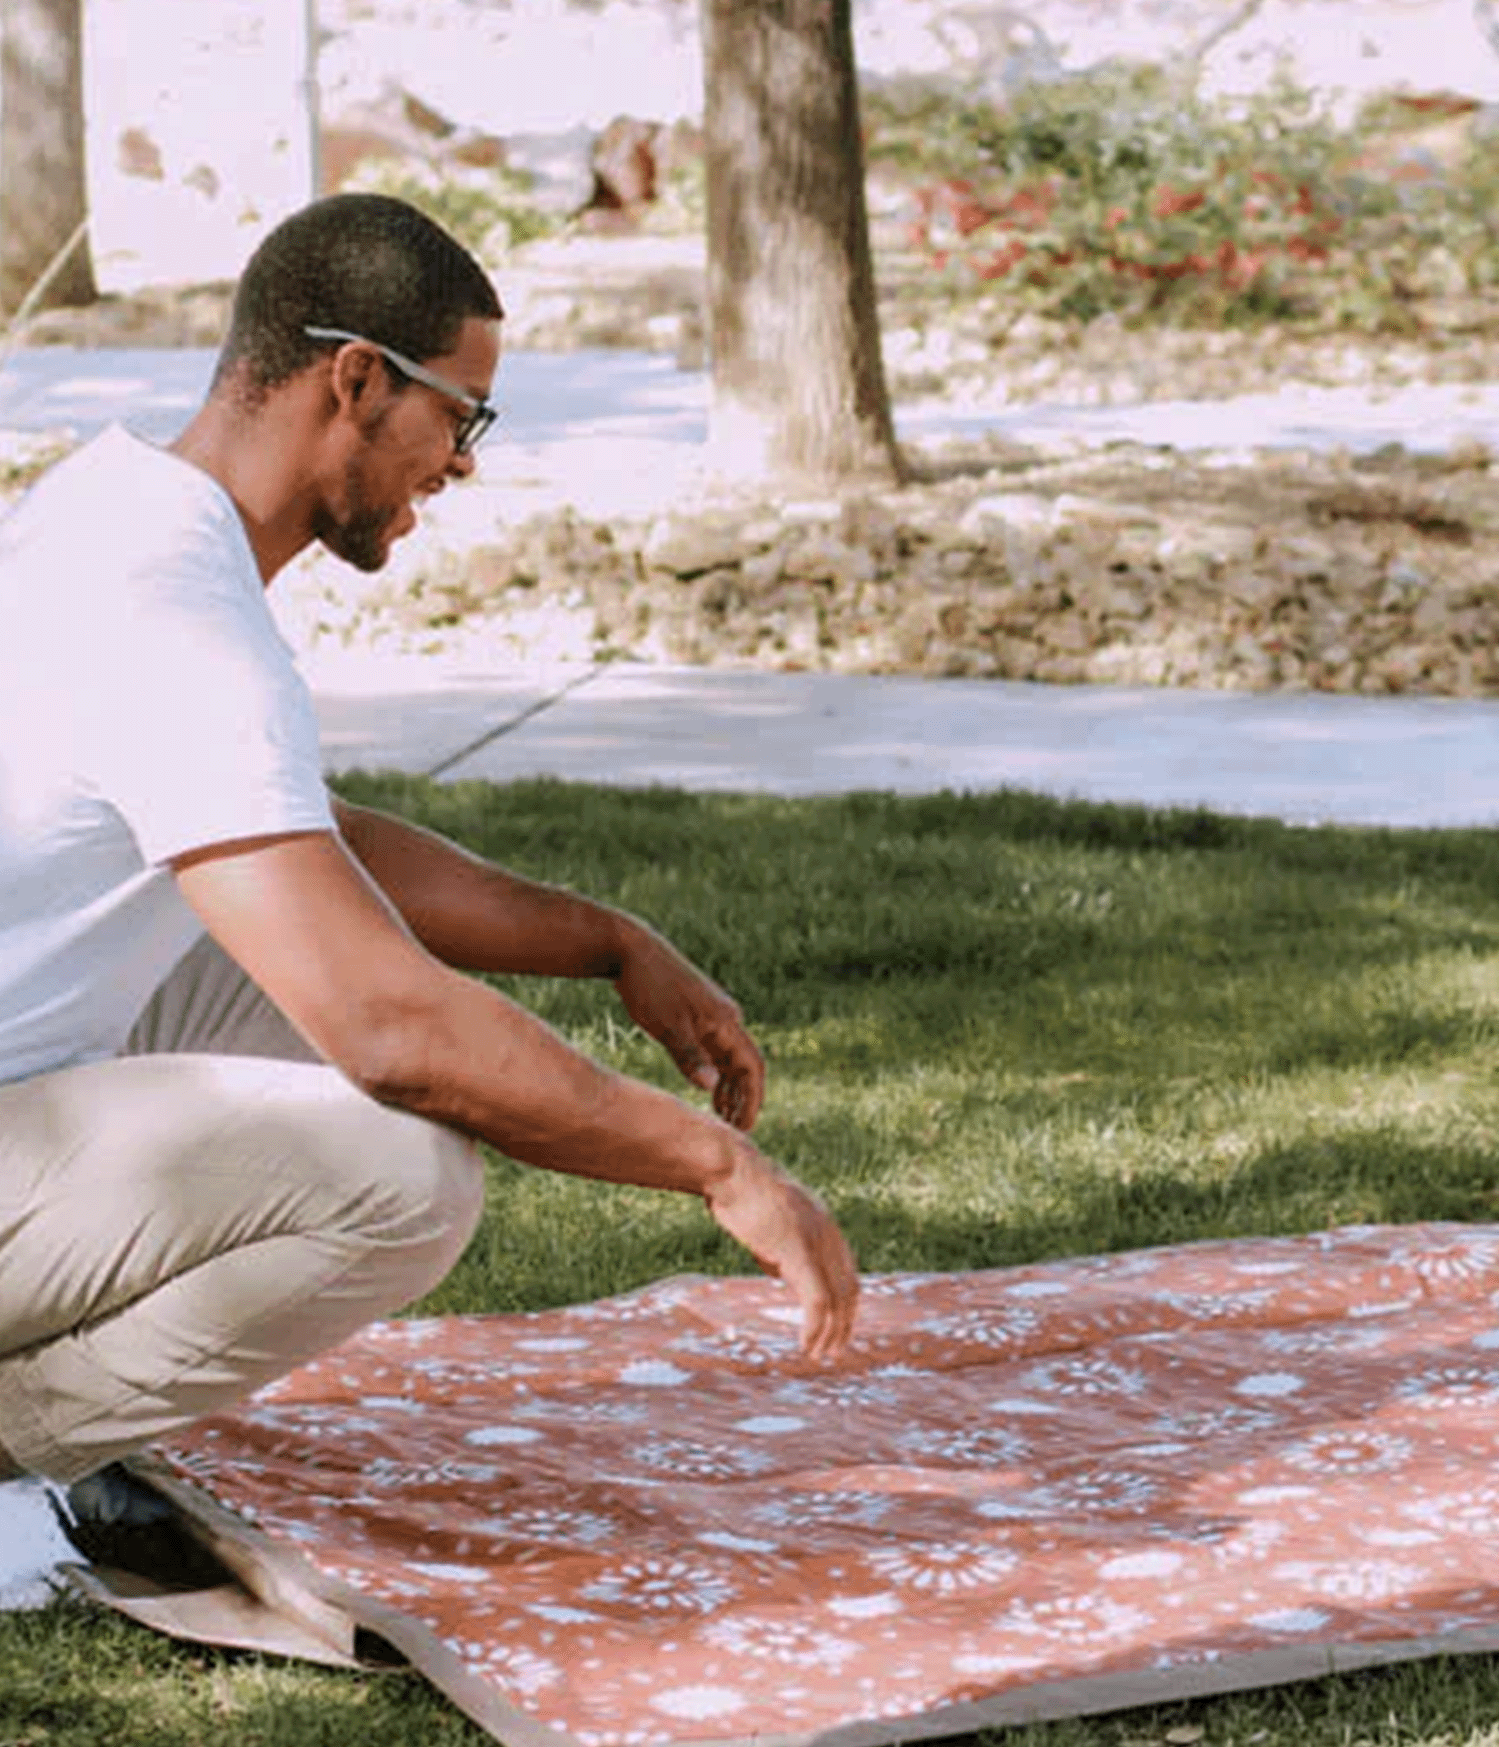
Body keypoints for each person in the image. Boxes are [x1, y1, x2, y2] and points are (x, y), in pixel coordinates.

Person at [0, 192, 860, 1566]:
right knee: (401, 1167)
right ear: (355, 378)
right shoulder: (171, 615)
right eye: (462, 418)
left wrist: (606, 940)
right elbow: (394, 1035)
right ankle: (33, 1446)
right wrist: (714, 1164)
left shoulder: (118, 509)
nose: (462, 465)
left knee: (294, 961)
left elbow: (305, 836)